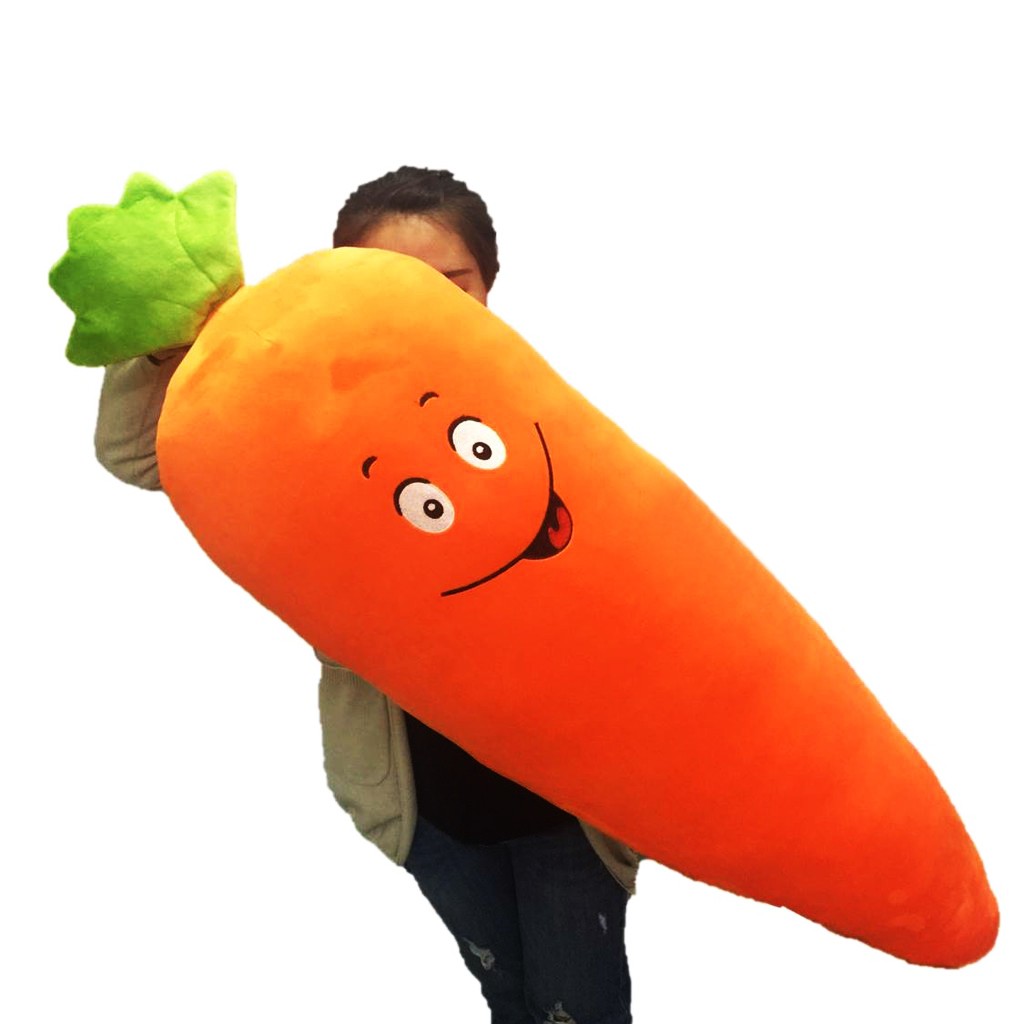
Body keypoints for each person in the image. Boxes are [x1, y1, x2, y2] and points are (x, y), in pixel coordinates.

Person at [94, 166, 638, 1024]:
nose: (421, 304)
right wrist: (176, 344)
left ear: (489, 285)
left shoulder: (544, 416)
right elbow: (139, 453)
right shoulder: (312, 412)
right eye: (387, 280)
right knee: (508, 996)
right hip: (426, 802)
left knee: (582, 1010)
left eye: (450, 283)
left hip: (567, 809)